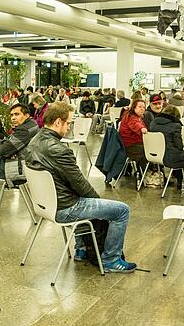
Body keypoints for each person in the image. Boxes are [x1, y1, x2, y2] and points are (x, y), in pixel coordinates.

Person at [25, 102, 137, 273]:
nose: (69, 127)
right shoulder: (59, 149)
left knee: (83, 199)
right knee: (121, 211)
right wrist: (100, 206)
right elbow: (81, 185)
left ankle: (82, 249)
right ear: (57, 122)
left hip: (44, 206)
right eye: (68, 123)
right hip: (65, 208)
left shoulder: (33, 142)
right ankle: (111, 259)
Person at [0, 104, 38, 180]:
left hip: (13, 167)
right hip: (18, 164)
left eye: (17, 114)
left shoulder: (24, 130)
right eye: (12, 115)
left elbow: (3, 150)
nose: (13, 118)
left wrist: (8, 150)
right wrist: (10, 150)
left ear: (27, 115)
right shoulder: (33, 124)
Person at [150, 106, 184, 190]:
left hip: (155, 156)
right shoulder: (175, 125)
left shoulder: (153, 123)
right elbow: (179, 146)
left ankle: (180, 181)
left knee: (177, 154)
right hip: (170, 157)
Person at [118, 99, 148, 176]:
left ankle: (143, 172)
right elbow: (136, 125)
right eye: (140, 107)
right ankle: (144, 174)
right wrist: (142, 129)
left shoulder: (137, 117)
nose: (142, 109)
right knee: (150, 151)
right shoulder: (131, 117)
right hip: (130, 146)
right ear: (134, 108)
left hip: (133, 144)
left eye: (144, 107)